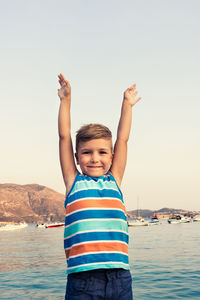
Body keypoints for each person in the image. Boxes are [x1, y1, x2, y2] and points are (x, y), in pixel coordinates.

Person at [57, 73, 141, 300]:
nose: (95, 158)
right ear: (76, 156)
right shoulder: (73, 182)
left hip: (120, 276)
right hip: (82, 280)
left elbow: (122, 139)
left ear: (112, 156)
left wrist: (127, 105)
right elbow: (64, 137)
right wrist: (65, 101)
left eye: (102, 152)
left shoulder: (115, 179)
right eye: (87, 152)